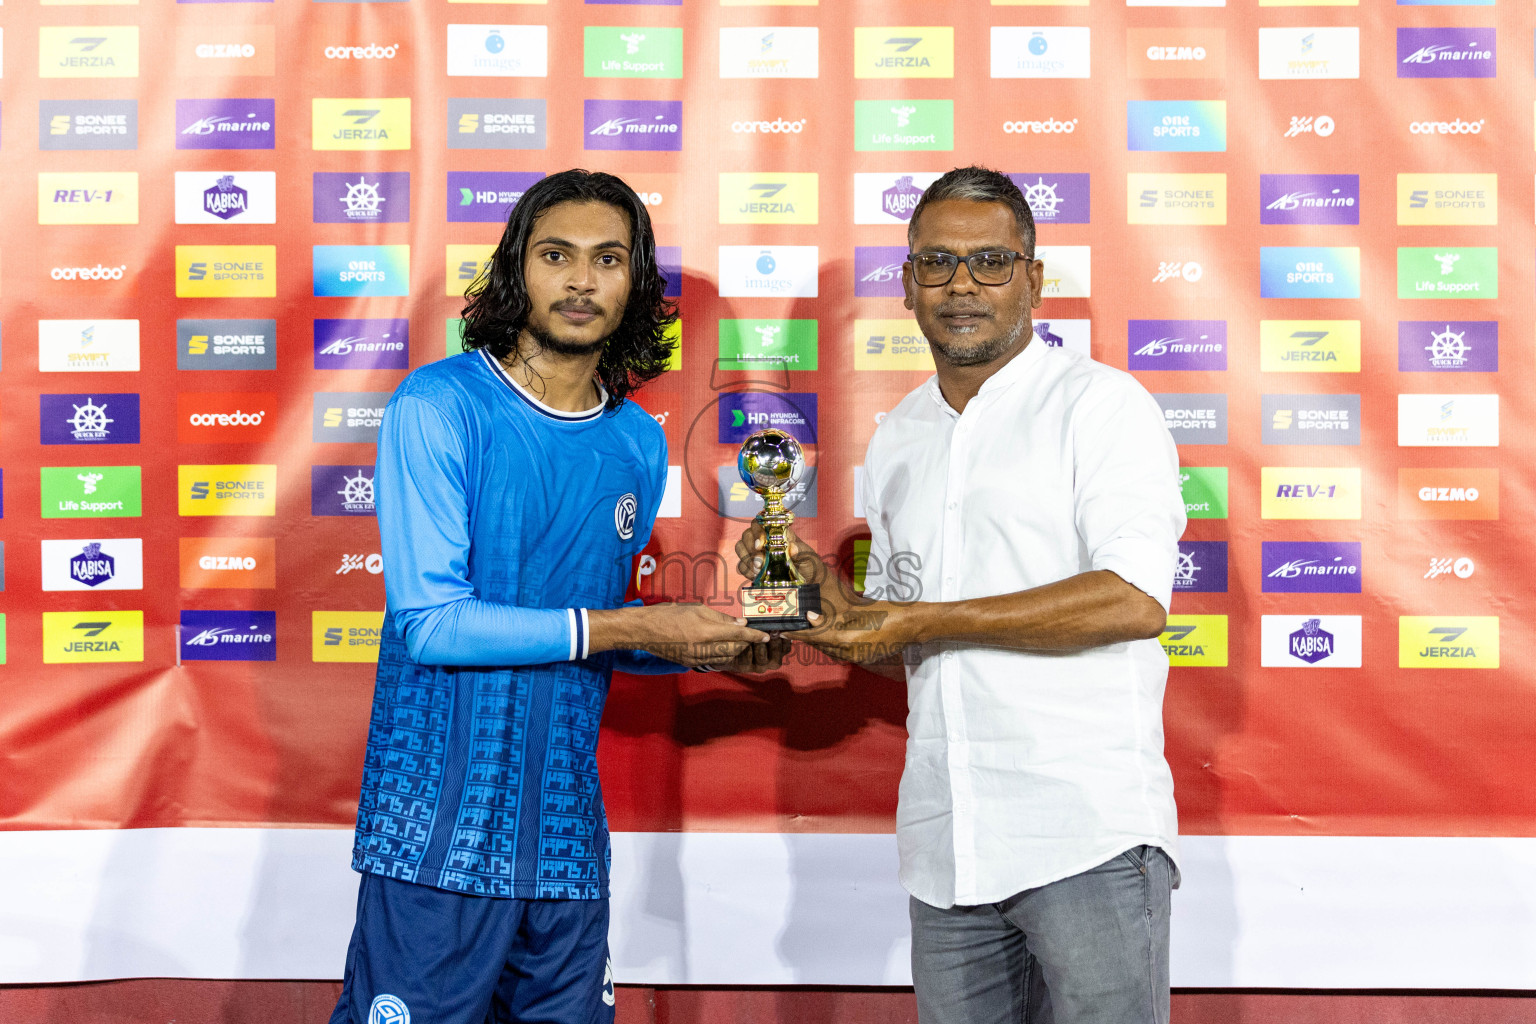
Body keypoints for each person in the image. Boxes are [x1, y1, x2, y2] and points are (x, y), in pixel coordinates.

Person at [331, 169, 785, 1024]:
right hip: (437, 836)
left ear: (635, 284)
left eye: (608, 259)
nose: (581, 280)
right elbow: (433, 625)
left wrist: (704, 640)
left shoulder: (633, 442)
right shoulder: (438, 405)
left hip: (566, 844)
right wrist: (635, 623)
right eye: (556, 256)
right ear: (517, 271)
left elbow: (580, 630)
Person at [735, 166, 1187, 1024]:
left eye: (990, 262)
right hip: (947, 844)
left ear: (1033, 278)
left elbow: (1134, 599)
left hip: (1081, 832)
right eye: (937, 264)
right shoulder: (900, 435)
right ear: (907, 285)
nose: (962, 286)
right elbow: (898, 644)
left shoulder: (1101, 405)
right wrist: (816, 594)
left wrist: (919, 619)